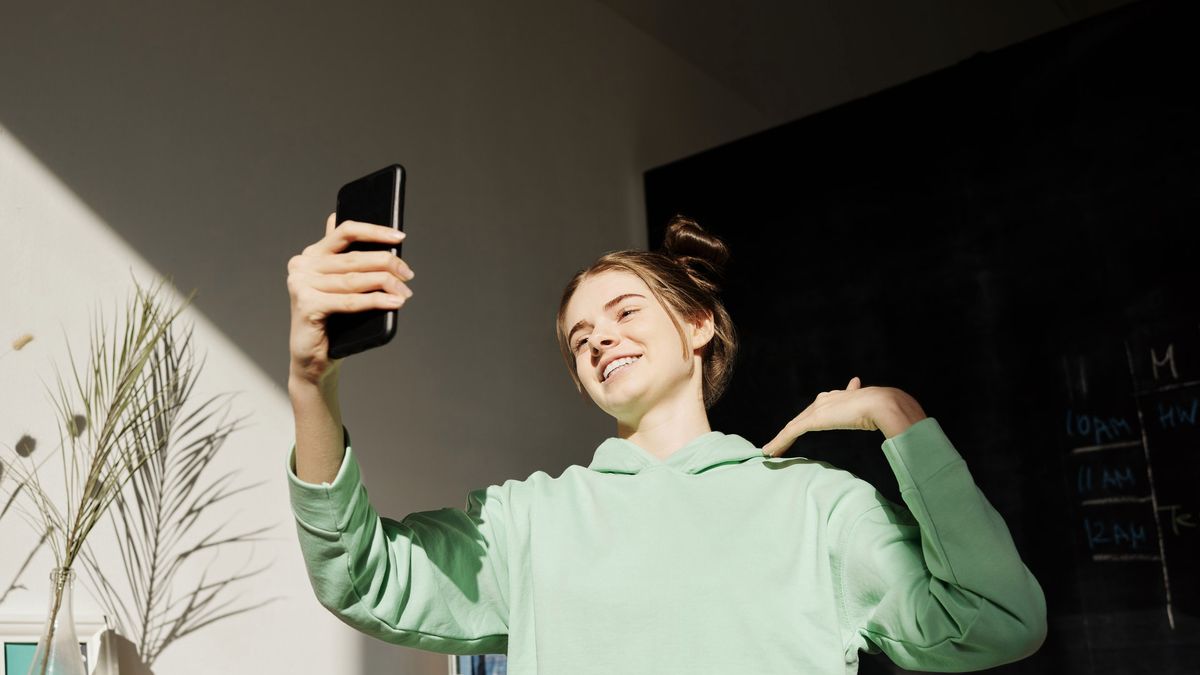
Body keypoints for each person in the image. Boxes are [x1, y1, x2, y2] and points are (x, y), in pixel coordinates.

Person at [285, 213, 1047, 674]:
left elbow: (996, 617)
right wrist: (310, 378)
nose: (599, 339)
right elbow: (360, 575)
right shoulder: (530, 523)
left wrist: (898, 416)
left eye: (623, 312)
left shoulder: (818, 509)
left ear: (697, 325)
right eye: (580, 336)